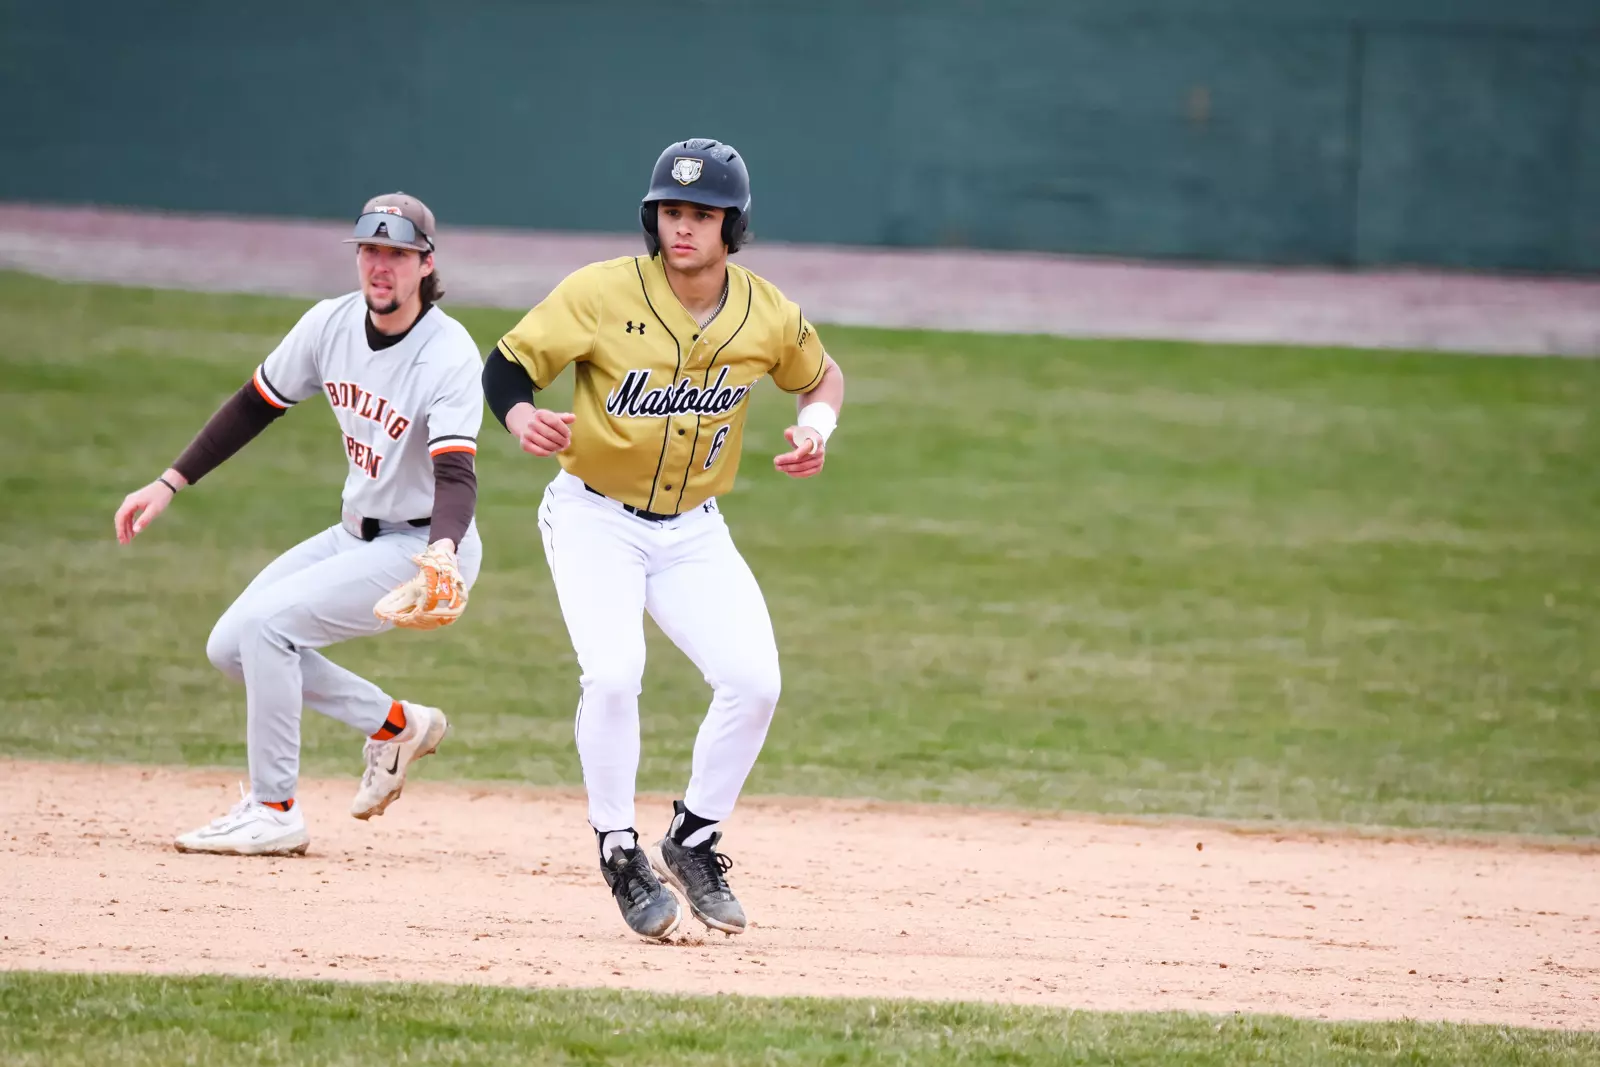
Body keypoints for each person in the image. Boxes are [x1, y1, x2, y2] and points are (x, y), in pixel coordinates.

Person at [483, 139, 846, 939]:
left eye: (702, 214)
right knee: (613, 674)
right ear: (654, 217)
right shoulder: (600, 292)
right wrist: (518, 415)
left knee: (755, 681)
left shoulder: (764, 311)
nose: (683, 227)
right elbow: (506, 365)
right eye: (671, 212)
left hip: (693, 532)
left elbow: (821, 374)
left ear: (732, 225)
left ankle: (692, 838)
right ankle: (618, 849)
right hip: (592, 517)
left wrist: (816, 426)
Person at [113, 193, 484, 856]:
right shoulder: (330, 324)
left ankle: (274, 807)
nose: (380, 265)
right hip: (354, 530)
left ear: (426, 264)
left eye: (397, 252)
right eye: (370, 249)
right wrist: (170, 481)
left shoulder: (448, 353)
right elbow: (256, 403)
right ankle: (397, 725)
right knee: (232, 646)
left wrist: (445, 552)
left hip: (425, 544)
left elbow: (457, 475)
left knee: (267, 628)